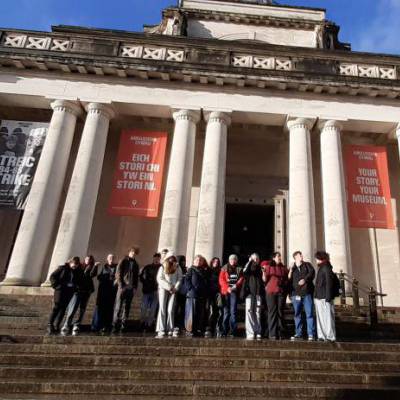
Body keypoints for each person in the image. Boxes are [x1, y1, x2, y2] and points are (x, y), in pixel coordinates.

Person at [61, 255, 99, 336]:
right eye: (86, 259)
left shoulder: (92, 267)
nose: (87, 260)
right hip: (78, 290)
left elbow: (92, 275)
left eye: (89, 259)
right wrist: (67, 264)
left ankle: (77, 325)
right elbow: (72, 271)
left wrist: (95, 266)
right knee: (73, 308)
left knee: (82, 309)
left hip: (87, 291)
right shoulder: (79, 267)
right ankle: (66, 324)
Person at [48, 257, 82, 335]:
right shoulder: (62, 268)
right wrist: (56, 286)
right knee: (57, 307)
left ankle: (57, 325)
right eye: (74, 263)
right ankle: (50, 324)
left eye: (77, 264)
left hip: (69, 292)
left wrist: (75, 287)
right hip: (60, 291)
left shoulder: (76, 271)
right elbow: (52, 276)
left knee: (63, 309)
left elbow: (77, 281)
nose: (75, 266)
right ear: (70, 262)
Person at [289, 251, 316, 341]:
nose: (302, 256)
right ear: (295, 257)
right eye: (300, 255)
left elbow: (312, 273)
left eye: (301, 255)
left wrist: (305, 280)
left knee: (309, 314)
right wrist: (290, 270)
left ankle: (311, 334)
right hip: (296, 294)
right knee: (297, 314)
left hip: (307, 293)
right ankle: (298, 333)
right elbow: (288, 280)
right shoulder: (292, 268)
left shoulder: (307, 265)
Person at [112, 247, 140, 333]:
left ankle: (123, 325)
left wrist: (135, 287)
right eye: (132, 252)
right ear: (129, 252)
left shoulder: (136, 264)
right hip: (123, 287)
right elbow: (118, 273)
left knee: (127, 307)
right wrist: (121, 285)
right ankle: (115, 325)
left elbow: (136, 277)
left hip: (130, 288)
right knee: (118, 306)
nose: (133, 254)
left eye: (135, 253)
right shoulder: (123, 260)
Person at [156, 252, 183, 338]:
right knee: (162, 308)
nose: (171, 258)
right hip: (164, 289)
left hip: (174, 290)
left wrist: (175, 287)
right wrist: (169, 287)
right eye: (170, 257)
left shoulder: (178, 267)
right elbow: (160, 278)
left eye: (173, 257)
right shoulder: (163, 266)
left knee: (170, 309)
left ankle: (170, 328)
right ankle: (161, 329)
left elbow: (180, 278)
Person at [264, 252, 289, 340]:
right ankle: (272, 333)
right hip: (271, 292)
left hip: (281, 292)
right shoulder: (268, 267)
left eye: (280, 256)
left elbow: (286, 279)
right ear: (273, 258)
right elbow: (264, 279)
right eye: (278, 256)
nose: (280, 258)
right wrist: (263, 273)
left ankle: (281, 333)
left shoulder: (283, 268)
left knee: (280, 312)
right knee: (272, 312)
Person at [185, 255, 210, 337]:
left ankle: (196, 329)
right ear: (194, 261)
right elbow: (187, 280)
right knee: (191, 313)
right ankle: (189, 330)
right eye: (197, 260)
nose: (199, 262)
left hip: (201, 295)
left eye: (201, 260)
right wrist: (191, 289)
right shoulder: (191, 269)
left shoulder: (203, 270)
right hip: (192, 295)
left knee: (199, 313)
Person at [92, 254, 118, 333]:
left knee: (109, 309)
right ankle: (96, 326)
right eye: (110, 258)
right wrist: (107, 277)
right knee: (99, 308)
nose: (111, 259)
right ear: (107, 259)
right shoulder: (104, 267)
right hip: (103, 291)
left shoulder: (117, 268)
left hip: (112, 291)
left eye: (113, 258)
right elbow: (98, 277)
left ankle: (107, 326)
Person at [219, 254, 244, 337]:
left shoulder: (239, 269)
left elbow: (241, 279)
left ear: (236, 260)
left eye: (235, 259)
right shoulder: (224, 268)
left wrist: (235, 286)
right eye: (232, 259)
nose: (233, 260)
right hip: (225, 292)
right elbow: (221, 280)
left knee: (233, 312)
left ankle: (233, 330)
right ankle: (224, 330)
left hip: (234, 292)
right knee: (226, 312)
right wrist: (227, 288)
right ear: (229, 260)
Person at [314, 251, 336, 342]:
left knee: (328, 317)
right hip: (319, 296)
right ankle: (322, 335)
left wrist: (328, 297)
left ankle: (330, 336)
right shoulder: (322, 267)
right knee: (320, 317)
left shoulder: (326, 267)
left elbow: (328, 283)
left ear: (320, 258)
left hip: (325, 296)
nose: (315, 260)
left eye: (316, 258)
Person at [243, 253, 264, 340]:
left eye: (257, 259)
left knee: (257, 313)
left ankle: (257, 331)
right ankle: (250, 332)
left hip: (258, 294)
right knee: (249, 313)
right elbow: (245, 272)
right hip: (250, 294)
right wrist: (249, 262)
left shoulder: (260, 269)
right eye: (253, 259)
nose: (255, 260)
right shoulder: (248, 269)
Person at [139, 252, 162, 332]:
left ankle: (149, 324)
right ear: (153, 258)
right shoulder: (147, 267)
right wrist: (145, 283)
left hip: (156, 290)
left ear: (160, 259)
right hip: (147, 290)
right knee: (144, 308)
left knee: (153, 309)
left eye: (158, 258)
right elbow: (141, 276)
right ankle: (142, 323)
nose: (157, 259)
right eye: (155, 257)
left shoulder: (161, 267)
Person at [205, 257, 223, 338]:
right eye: (214, 261)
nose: (216, 262)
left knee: (216, 311)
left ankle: (215, 328)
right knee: (209, 311)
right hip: (209, 294)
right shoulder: (208, 270)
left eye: (217, 261)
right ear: (212, 262)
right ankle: (208, 328)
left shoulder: (220, 271)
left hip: (217, 293)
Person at [175, 255, 188, 330]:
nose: (183, 262)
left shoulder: (186, 270)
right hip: (176, 292)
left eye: (184, 261)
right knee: (176, 309)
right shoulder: (176, 269)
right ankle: (175, 324)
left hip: (183, 293)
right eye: (182, 261)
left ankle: (181, 324)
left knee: (183, 309)